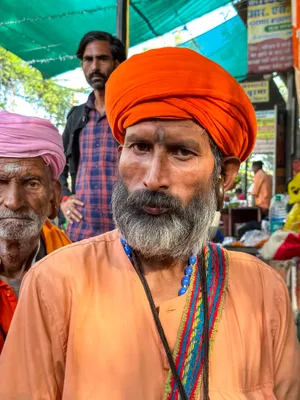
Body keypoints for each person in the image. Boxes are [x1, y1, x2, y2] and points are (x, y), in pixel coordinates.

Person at [0, 48, 299, 400]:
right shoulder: (55, 284)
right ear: (119, 157)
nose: (154, 178)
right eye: (140, 147)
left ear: (224, 176)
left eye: (181, 152)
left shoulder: (263, 290)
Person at [0, 111, 71, 353]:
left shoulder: (75, 274)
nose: (13, 201)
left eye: (32, 183)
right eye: (0, 182)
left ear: (54, 198)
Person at [59, 31, 126, 241]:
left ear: (117, 62)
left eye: (102, 58)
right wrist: (64, 198)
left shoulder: (130, 114)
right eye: (88, 59)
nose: (94, 67)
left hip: (124, 234)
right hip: (81, 232)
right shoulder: (77, 116)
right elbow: (58, 164)